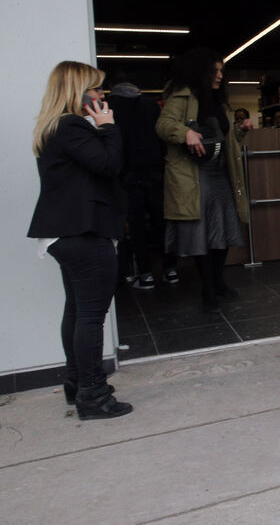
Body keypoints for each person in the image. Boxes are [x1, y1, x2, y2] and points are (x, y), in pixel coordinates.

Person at [27, 61, 133, 420]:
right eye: (97, 89)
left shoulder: (54, 128)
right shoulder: (72, 126)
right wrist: (108, 128)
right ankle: (92, 394)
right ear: (78, 92)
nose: (102, 96)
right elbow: (109, 165)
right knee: (90, 315)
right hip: (83, 232)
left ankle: (77, 384)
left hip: (66, 234)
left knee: (76, 310)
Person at [156, 48, 249, 314]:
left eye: (222, 70)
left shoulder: (219, 102)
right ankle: (208, 288)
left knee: (222, 232)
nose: (220, 76)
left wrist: (240, 131)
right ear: (202, 72)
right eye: (215, 70)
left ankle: (218, 282)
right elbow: (163, 126)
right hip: (194, 177)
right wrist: (185, 132)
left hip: (221, 175)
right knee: (201, 236)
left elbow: (225, 139)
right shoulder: (181, 97)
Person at [106, 74, 178, 289]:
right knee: (161, 222)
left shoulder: (110, 107)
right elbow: (161, 138)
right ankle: (170, 268)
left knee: (135, 225)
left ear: (112, 86)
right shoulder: (150, 105)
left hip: (127, 175)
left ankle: (145, 273)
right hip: (155, 171)